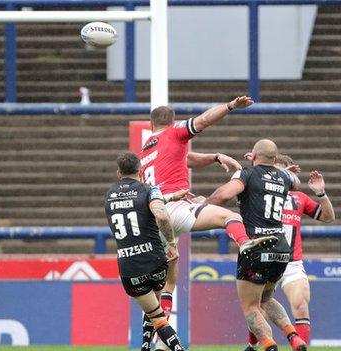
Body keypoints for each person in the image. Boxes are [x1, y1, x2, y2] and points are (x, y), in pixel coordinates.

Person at [138, 96, 278, 351]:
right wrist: (231, 106)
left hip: (152, 219)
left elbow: (187, 159)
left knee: (165, 284)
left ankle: (153, 344)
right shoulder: (175, 132)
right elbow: (203, 120)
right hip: (176, 208)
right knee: (231, 217)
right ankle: (244, 243)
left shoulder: (146, 149)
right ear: (172, 122)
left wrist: (214, 156)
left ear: (151, 124)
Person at [206, 139, 307, 351]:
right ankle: (293, 336)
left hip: (256, 246)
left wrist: (203, 205)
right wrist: (283, 173)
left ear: (253, 155)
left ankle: (269, 346)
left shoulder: (248, 174)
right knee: (266, 298)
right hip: (281, 247)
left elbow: (224, 195)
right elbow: (295, 182)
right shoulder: (284, 177)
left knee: (250, 306)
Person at [244, 154, 335, 351]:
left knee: (301, 305)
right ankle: (253, 345)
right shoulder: (261, 193)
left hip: (292, 262)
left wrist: (321, 194)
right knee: (258, 306)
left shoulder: (299, 198)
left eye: (281, 172)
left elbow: (328, 217)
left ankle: (297, 346)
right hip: (266, 258)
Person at [105, 152, 186, 351]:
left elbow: (132, 205)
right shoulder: (149, 189)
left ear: (118, 173)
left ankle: (145, 346)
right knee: (160, 304)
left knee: (154, 312)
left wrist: (169, 197)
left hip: (129, 266)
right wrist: (172, 244)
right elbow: (161, 215)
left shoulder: (109, 194)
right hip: (154, 259)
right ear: (140, 171)